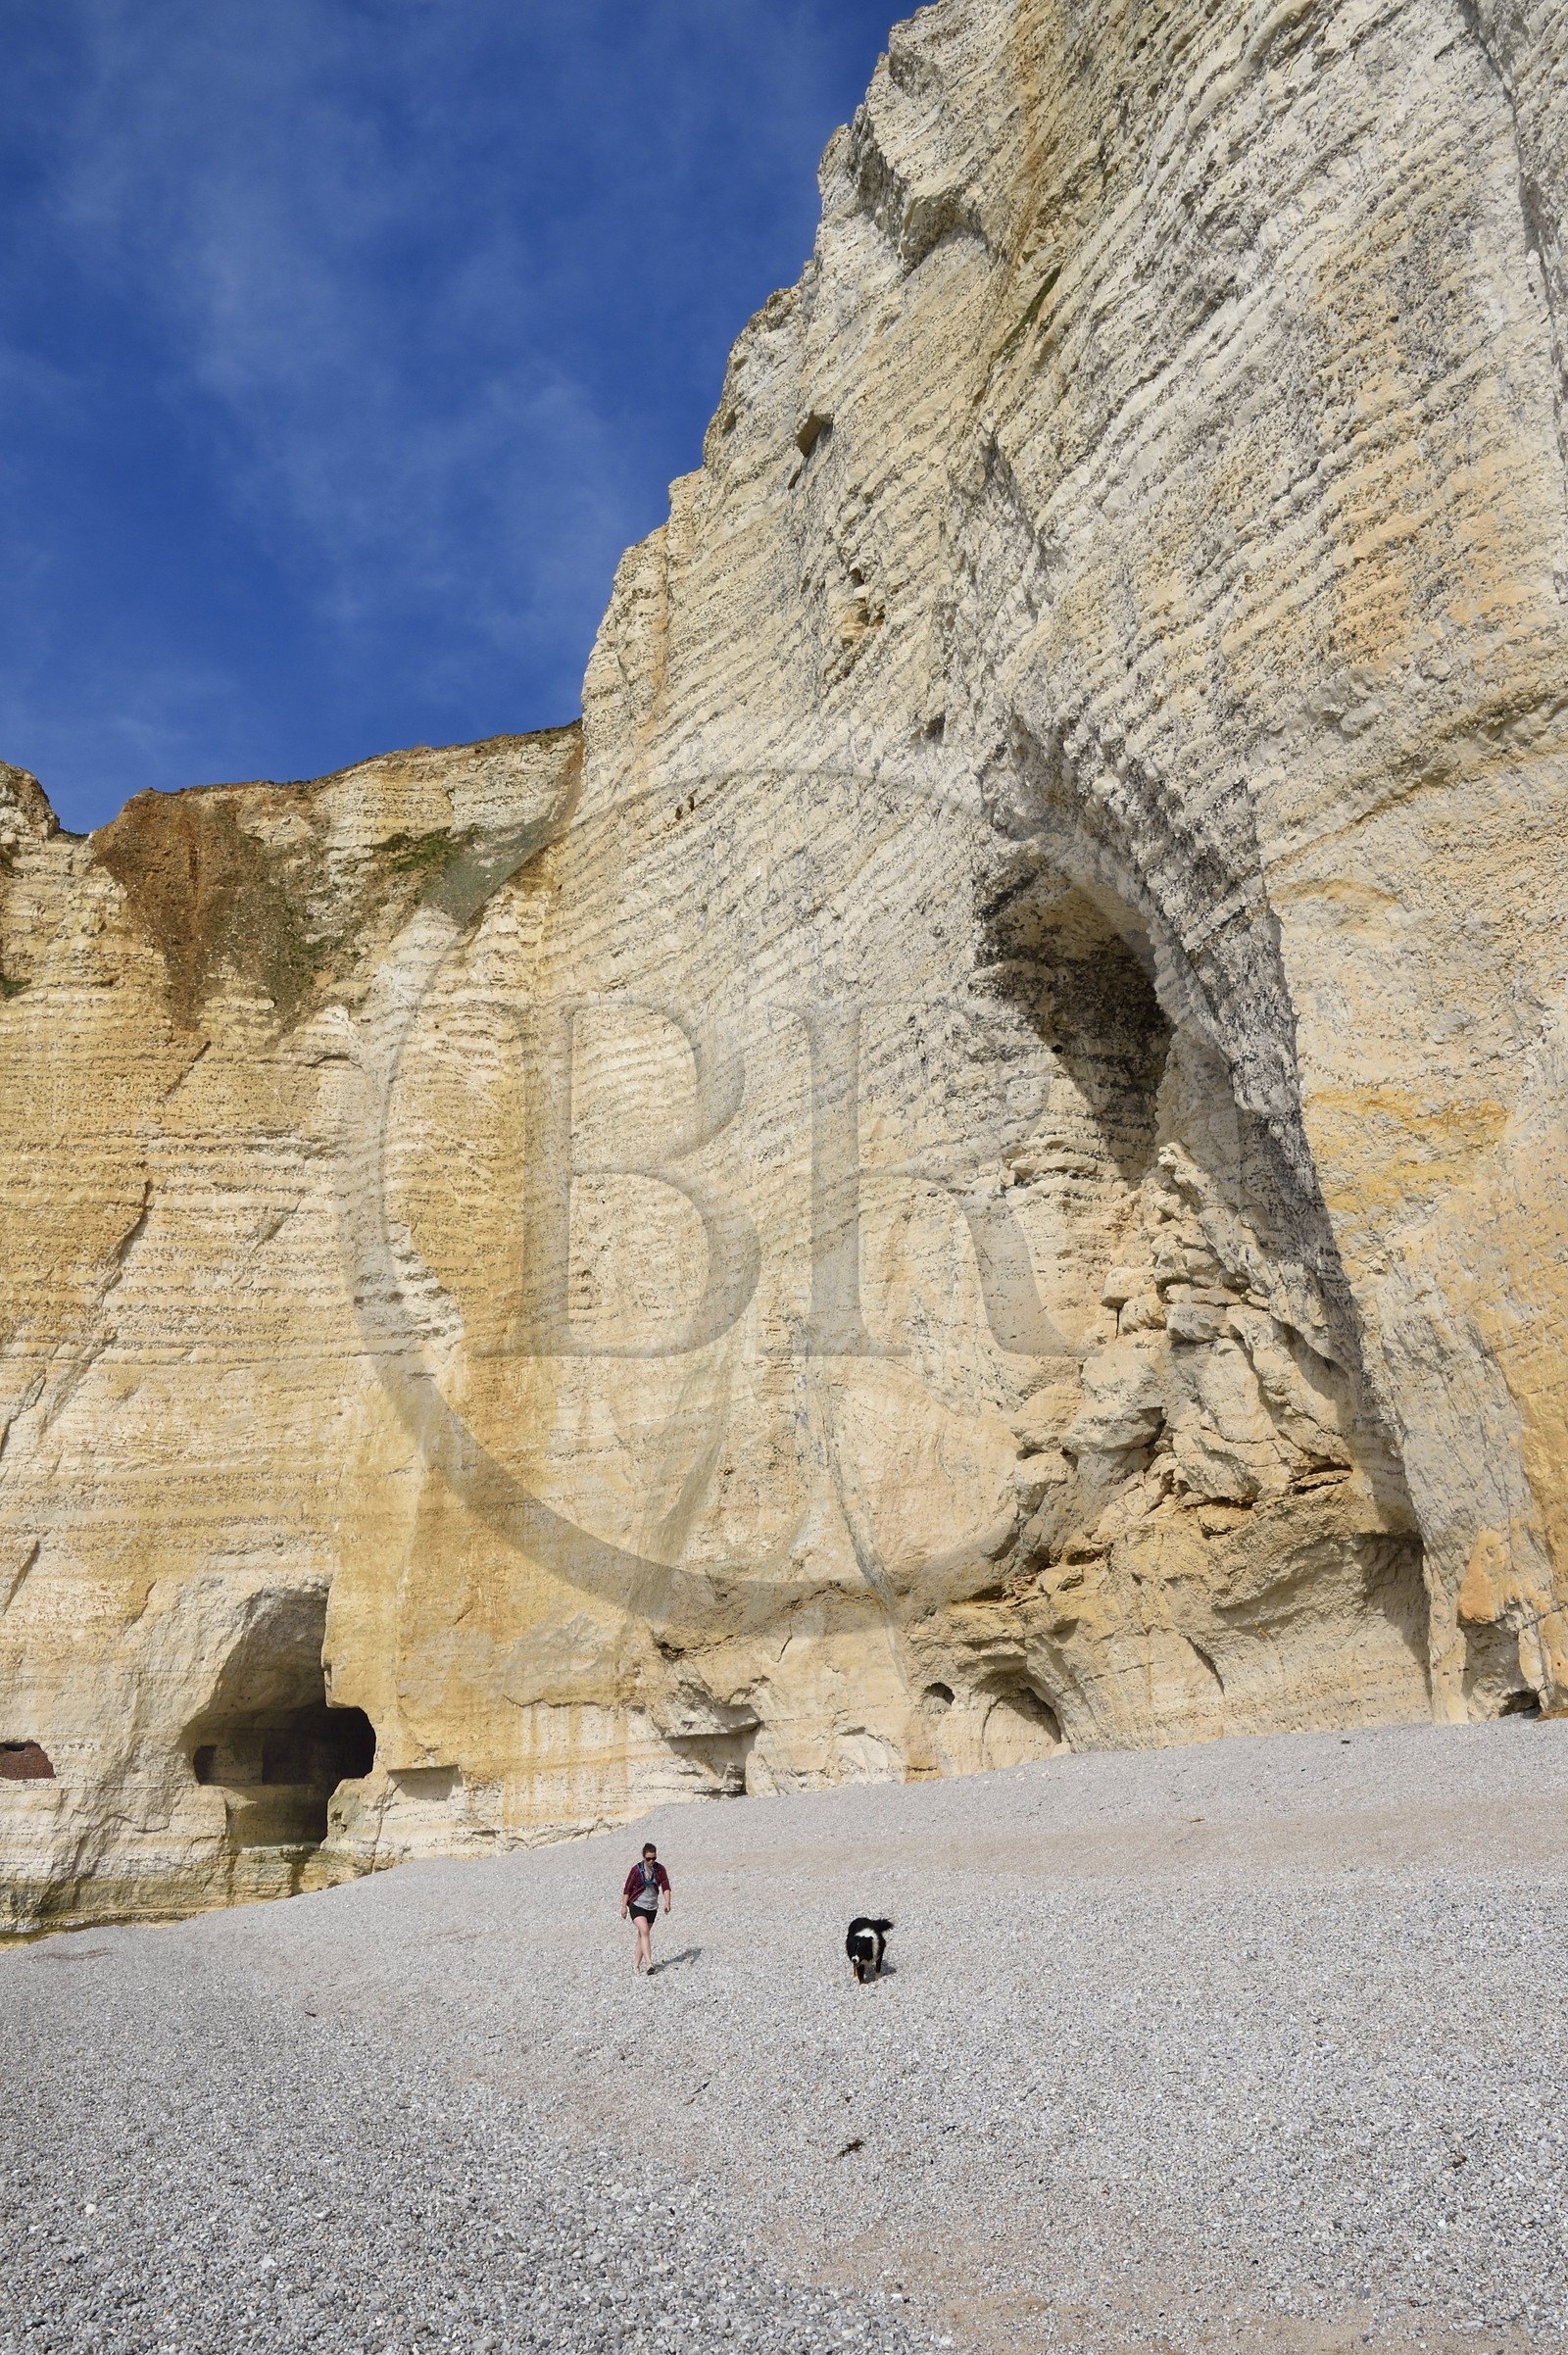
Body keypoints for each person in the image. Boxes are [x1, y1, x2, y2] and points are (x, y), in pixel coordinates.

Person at [620, 1840, 671, 1974]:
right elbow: (627, 1888)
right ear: (644, 1857)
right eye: (648, 1859)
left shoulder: (660, 1869)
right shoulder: (636, 1870)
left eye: (654, 1858)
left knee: (642, 1936)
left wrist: (667, 1902)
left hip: (652, 1907)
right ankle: (649, 1964)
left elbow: (665, 1885)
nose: (651, 1861)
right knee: (645, 1931)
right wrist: (624, 1907)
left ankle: (635, 1966)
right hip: (636, 1904)